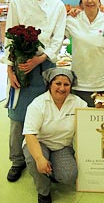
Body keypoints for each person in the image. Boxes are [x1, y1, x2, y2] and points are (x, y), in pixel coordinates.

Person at [4, 0, 66, 182]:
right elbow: (10, 36)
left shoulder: (57, 5)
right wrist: (11, 70)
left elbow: (58, 39)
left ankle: (41, 156)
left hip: (46, 66)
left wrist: (39, 59)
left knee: (45, 114)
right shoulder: (19, 2)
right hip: (21, 64)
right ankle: (17, 160)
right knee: (18, 116)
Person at [22, 68, 87, 203]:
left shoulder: (78, 103)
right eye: (58, 83)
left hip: (62, 146)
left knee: (69, 176)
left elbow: (91, 120)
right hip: (39, 143)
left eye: (66, 84)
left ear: (71, 86)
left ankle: (49, 171)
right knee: (35, 161)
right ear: (50, 84)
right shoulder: (38, 104)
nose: (62, 88)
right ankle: (43, 192)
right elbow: (30, 135)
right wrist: (40, 158)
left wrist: (100, 109)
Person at [65, 0, 104, 106]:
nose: (90, 1)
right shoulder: (72, 20)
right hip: (80, 82)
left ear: (99, 2)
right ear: (81, 2)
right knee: (82, 121)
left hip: (103, 83)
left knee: (101, 121)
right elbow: (57, 36)